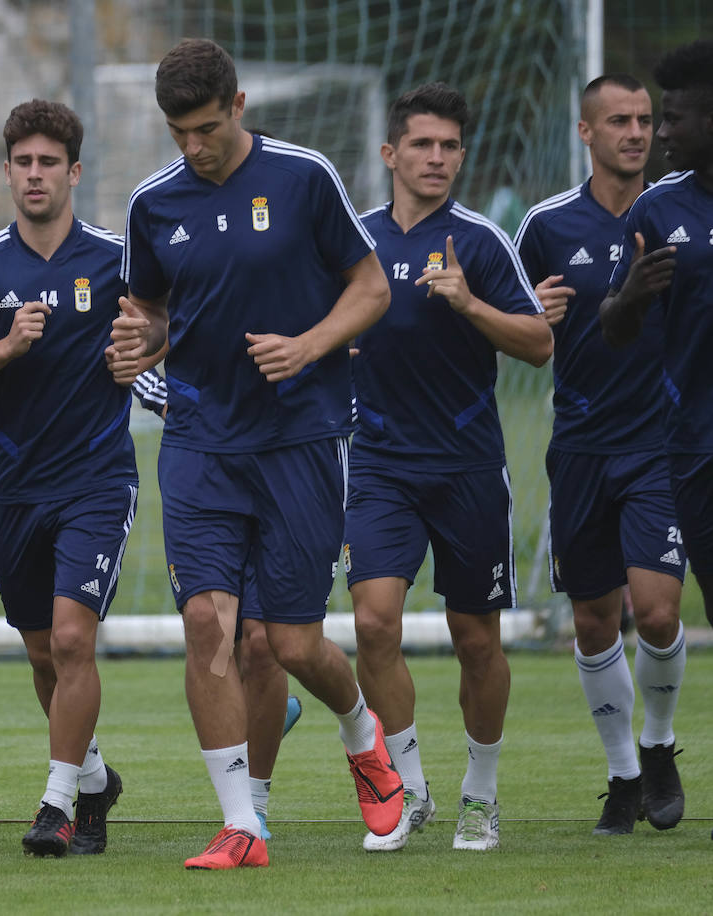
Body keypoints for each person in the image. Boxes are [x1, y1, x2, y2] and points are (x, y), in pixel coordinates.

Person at [108, 38, 398, 870]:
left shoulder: (306, 178)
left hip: (301, 436)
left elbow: (371, 289)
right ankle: (243, 825)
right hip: (200, 437)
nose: (192, 148)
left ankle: (358, 731)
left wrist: (309, 346)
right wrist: (139, 343)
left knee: (292, 644)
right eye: (177, 134)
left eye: (205, 128)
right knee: (208, 622)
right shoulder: (152, 204)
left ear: (238, 107)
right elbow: (155, 314)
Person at [347, 83, 552, 853]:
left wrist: (469, 304)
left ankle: (481, 794)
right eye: (423, 145)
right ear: (390, 153)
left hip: (468, 467)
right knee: (372, 623)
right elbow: (323, 324)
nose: (437, 158)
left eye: (450, 147)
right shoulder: (354, 240)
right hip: (377, 466)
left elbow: (538, 343)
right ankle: (407, 787)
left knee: (475, 639)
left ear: (462, 156)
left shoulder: (481, 242)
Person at [0, 99, 130, 856]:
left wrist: (148, 345)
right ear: (7, 171)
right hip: (15, 488)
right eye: (24, 162)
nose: (36, 174)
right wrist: (7, 349)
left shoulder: (115, 258)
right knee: (45, 654)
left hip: (99, 482)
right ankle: (95, 778)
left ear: (73, 172)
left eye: (50, 162)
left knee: (75, 641)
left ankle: (55, 806)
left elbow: (165, 321)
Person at [515, 74, 686, 835]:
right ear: (585, 132)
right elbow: (514, 330)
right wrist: (533, 316)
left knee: (654, 611)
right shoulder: (548, 224)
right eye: (619, 120)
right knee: (592, 622)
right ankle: (622, 774)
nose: (636, 132)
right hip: (580, 445)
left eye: (645, 119)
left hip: (663, 444)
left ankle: (657, 745)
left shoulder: (680, 210)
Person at [599, 39, 713, 830]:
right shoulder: (659, 209)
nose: (662, 132)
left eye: (674, 116)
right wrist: (631, 296)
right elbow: (611, 329)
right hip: (697, 448)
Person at [126, 369, 304, 840]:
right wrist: (169, 399)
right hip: (203, 456)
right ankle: (242, 818)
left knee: (266, 642)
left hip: (284, 452)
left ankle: (257, 803)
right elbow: (132, 325)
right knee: (213, 628)